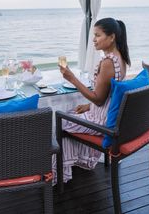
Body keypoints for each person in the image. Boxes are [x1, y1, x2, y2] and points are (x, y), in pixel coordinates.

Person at [52, 17, 131, 185]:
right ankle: (76, 160)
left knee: (60, 122)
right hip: (108, 116)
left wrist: (72, 78)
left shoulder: (108, 63)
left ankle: (63, 170)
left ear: (112, 37)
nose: (94, 40)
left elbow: (99, 99)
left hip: (101, 122)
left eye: (97, 35)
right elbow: (110, 95)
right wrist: (89, 106)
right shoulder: (121, 58)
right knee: (72, 112)